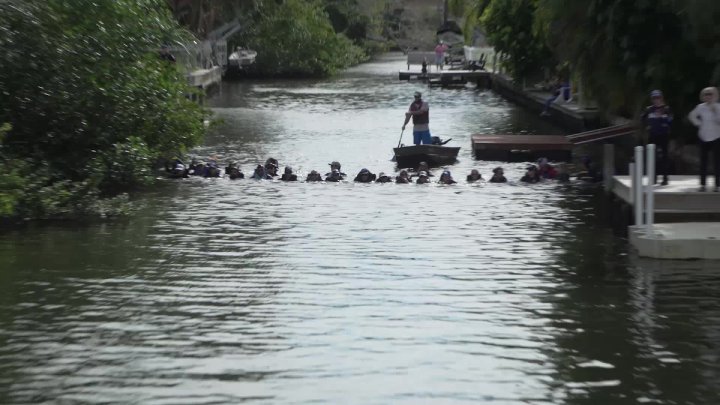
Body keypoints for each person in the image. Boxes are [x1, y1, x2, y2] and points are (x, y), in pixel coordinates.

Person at [688, 87, 720, 191]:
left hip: (716, 136)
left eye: (710, 94)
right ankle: (702, 184)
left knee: (717, 162)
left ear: (714, 95)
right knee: (703, 162)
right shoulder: (700, 107)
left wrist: (715, 112)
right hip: (703, 136)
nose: (708, 96)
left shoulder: (718, 107)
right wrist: (699, 124)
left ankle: (717, 185)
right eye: (706, 94)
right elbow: (692, 116)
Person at [641, 89, 673, 185]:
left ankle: (665, 179)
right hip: (652, 135)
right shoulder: (649, 109)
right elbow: (642, 119)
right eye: (654, 98)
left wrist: (662, 118)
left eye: (658, 98)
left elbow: (671, 121)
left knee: (664, 157)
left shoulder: (667, 109)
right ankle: (653, 178)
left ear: (661, 98)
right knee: (651, 157)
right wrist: (647, 126)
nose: (656, 100)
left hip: (664, 135)